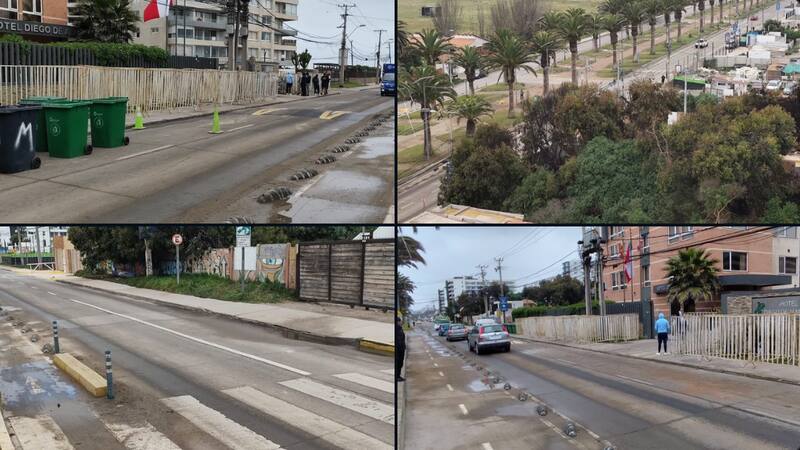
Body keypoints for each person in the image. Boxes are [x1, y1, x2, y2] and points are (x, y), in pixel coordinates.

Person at [396, 316, 406, 382]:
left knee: (400, 364)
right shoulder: (397, 329)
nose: (401, 322)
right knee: (398, 363)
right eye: (400, 321)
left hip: (401, 349)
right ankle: (397, 377)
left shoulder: (400, 328)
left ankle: (398, 376)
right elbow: (399, 340)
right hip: (399, 350)